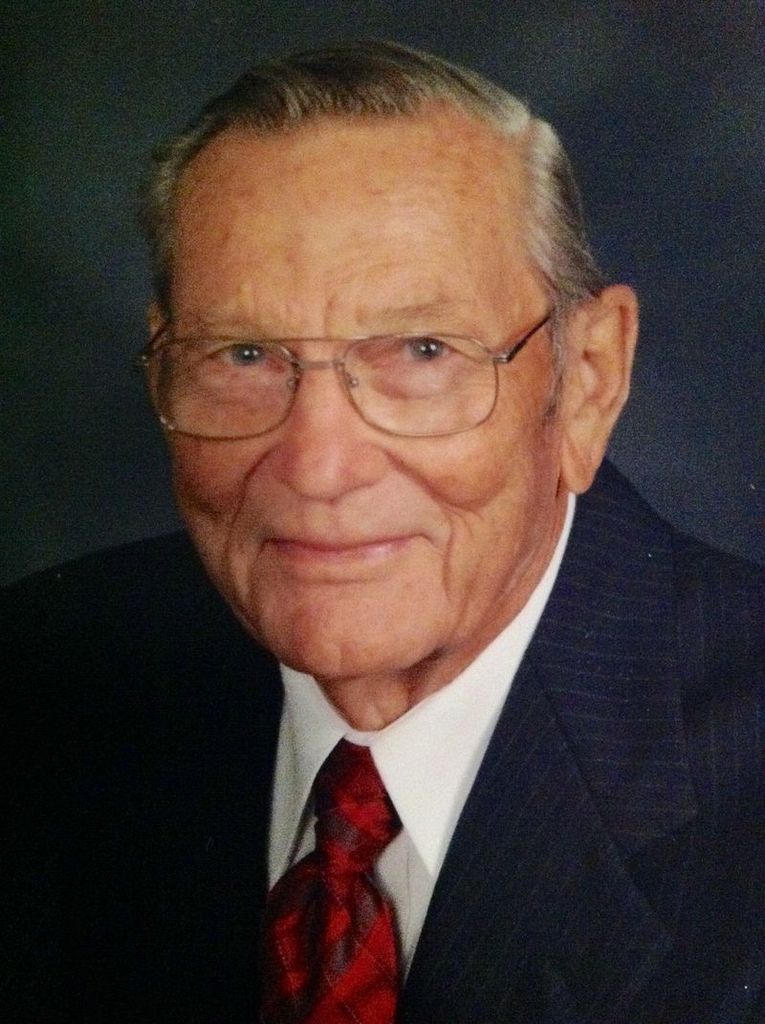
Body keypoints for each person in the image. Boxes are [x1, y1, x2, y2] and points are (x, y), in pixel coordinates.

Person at [4, 40, 764, 1024]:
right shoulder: (41, 679)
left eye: (422, 350)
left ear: (587, 383)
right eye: (243, 354)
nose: (319, 467)